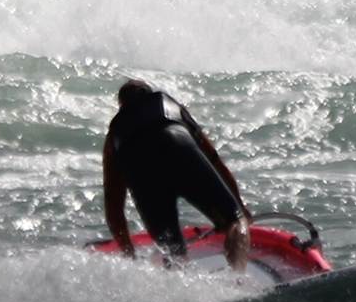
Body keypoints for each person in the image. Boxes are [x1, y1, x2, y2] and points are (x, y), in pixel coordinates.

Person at [103, 78, 252, 273]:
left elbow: (113, 204)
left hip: (144, 174)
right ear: (149, 94)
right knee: (235, 222)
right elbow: (214, 159)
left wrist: (128, 253)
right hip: (180, 150)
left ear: (121, 106)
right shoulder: (172, 107)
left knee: (172, 251)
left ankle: (181, 286)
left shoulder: (115, 134)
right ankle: (237, 278)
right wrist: (238, 207)